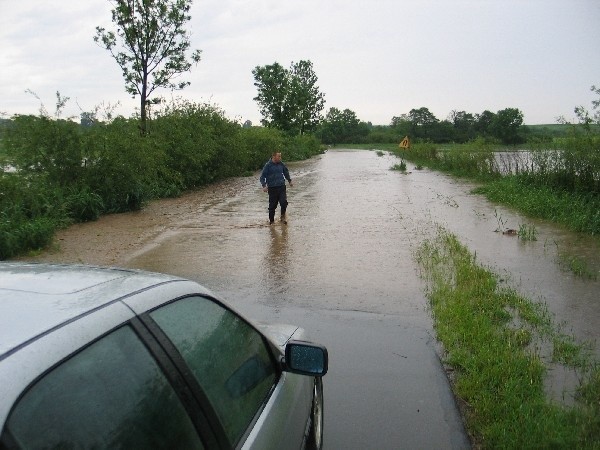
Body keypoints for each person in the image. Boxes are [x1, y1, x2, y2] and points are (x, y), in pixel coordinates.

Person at [259, 151, 293, 224]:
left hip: (281, 187)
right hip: (272, 188)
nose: (280, 158)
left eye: (280, 156)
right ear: (274, 156)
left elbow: (286, 172)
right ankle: (271, 222)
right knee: (272, 206)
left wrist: (289, 181)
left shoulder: (281, 164)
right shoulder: (268, 166)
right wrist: (264, 186)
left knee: (283, 202)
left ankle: (282, 218)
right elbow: (262, 177)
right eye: (279, 156)